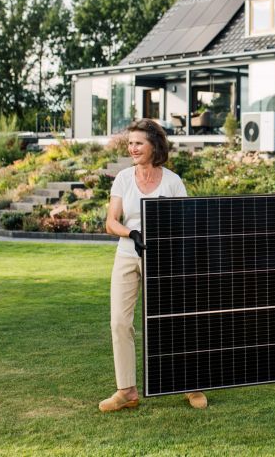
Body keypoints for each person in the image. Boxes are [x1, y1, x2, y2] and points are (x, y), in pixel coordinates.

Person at [98, 118, 208, 411]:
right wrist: (131, 233)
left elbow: (186, 223)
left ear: (154, 146)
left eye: (138, 143)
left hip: (162, 258)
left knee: (174, 320)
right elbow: (111, 222)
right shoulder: (123, 178)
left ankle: (191, 385)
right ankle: (127, 391)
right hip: (127, 254)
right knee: (119, 322)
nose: (132, 148)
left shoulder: (172, 181)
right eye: (130, 143)